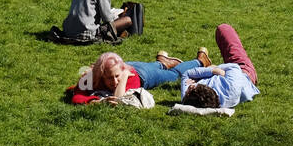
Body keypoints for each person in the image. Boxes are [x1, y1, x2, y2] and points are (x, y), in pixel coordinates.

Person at [69, 50, 207, 104]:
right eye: (110, 78)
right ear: (101, 74)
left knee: (173, 75)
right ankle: (162, 62)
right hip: (126, 65)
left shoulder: (129, 77)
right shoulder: (92, 77)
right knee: (152, 66)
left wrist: (123, 77)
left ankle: (200, 61)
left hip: (142, 75)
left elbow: (118, 99)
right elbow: (77, 96)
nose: (114, 81)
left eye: (116, 77)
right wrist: (96, 102)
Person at [179, 24, 260, 109]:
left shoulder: (188, 98)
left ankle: (204, 63)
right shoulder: (231, 87)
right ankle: (204, 63)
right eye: (193, 88)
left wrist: (211, 71)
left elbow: (186, 74)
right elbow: (234, 67)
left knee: (207, 70)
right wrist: (215, 70)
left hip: (223, 75)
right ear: (208, 89)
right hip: (243, 72)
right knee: (223, 29)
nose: (190, 87)